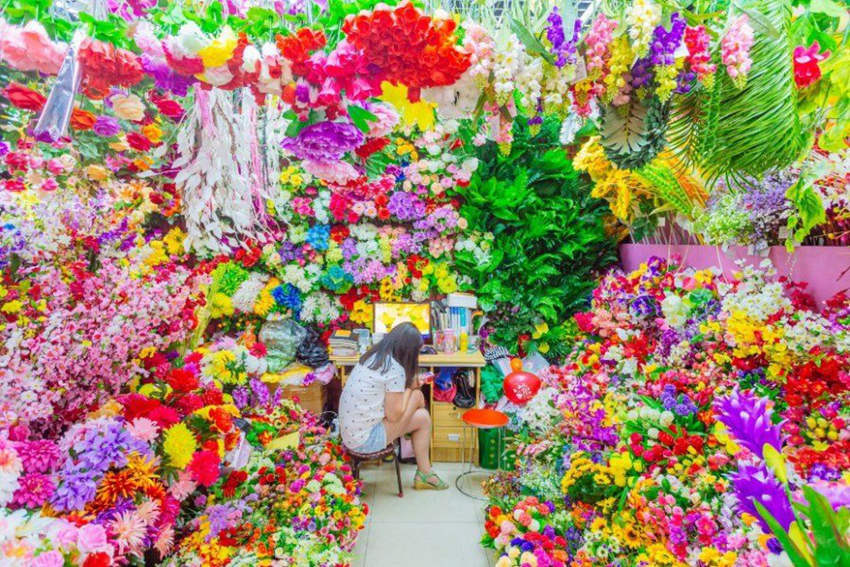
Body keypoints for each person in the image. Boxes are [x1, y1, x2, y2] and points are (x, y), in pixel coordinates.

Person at [339, 322, 448, 490]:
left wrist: (409, 389)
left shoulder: (374, 356)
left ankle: (424, 471)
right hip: (365, 440)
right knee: (420, 403)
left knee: (421, 413)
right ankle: (425, 473)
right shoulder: (395, 369)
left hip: (350, 434)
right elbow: (394, 416)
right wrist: (412, 389)